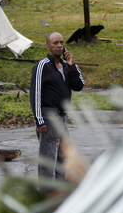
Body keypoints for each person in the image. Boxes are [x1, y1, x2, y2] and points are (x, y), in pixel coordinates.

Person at [30, 32, 85, 187]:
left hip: (62, 118)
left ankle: (60, 193)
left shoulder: (67, 65)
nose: (59, 45)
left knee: (62, 158)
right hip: (49, 117)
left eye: (61, 42)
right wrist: (39, 120)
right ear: (48, 46)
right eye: (55, 43)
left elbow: (79, 85)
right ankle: (47, 195)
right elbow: (35, 94)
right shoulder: (42, 66)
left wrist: (72, 65)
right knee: (48, 159)